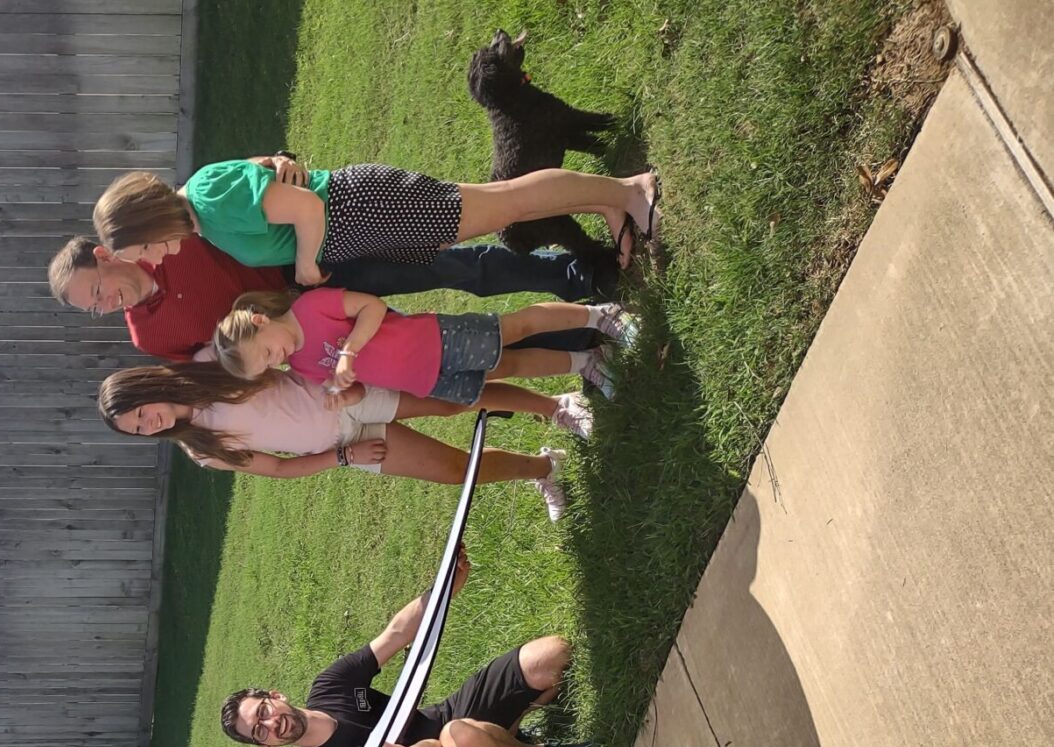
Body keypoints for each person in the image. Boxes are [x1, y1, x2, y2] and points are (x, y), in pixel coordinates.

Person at [220, 547, 598, 747]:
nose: (272, 724)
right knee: (459, 738)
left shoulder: (329, 687)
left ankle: (509, 733)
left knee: (552, 655)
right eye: (259, 732)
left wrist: (442, 593)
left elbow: (396, 634)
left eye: (263, 711)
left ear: (276, 696)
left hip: (448, 716)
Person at [96, 363, 585, 516]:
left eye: (140, 413)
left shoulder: (205, 366)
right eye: (138, 430)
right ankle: (545, 468)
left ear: (146, 387)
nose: (149, 424)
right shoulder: (201, 449)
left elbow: (274, 359)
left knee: (450, 401)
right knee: (454, 471)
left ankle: (556, 406)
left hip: (346, 396)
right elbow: (279, 467)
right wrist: (344, 457)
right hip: (344, 441)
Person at [92, 157, 660, 281]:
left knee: (507, 203)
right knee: (501, 202)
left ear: (148, 223)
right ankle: (607, 200)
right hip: (365, 223)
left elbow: (307, 207)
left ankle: (632, 189)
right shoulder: (204, 218)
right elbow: (265, 173)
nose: (150, 261)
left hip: (364, 207)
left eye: (141, 250)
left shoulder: (209, 201)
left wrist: (307, 266)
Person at [214, 286, 633, 407]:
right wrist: (343, 396)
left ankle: (600, 316)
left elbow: (373, 307)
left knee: (515, 328)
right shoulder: (302, 367)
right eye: (269, 366)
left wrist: (350, 350)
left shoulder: (310, 307)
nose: (277, 360)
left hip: (436, 339)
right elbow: (357, 387)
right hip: (427, 381)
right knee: (512, 367)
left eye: (267, 353)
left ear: (260, 320)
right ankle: (587, 362)